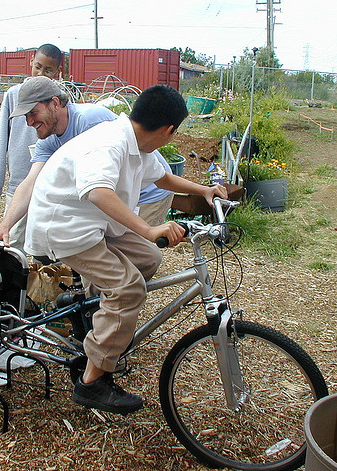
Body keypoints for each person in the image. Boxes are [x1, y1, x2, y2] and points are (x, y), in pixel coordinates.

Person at [24, 85, 228, 415]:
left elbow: (162, 178)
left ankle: (93, 315)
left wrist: (204, 190)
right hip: (65, 228)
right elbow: (98, 192)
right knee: (128, 287)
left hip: (94, 223)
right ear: (168, 130)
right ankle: (92, 383)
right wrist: (148, 228)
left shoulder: (138, 145)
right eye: (177, 133)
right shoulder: (110, 142)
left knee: (149, 257)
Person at [0, 75, 117, 252]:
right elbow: (30, 183)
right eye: (26, 116)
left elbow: (112, 180)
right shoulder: (48, 139)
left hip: (144, 191)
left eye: (33, 113)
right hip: (106, 194)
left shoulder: (89, 122)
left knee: (128, 258)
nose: (29, 122)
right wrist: (4, 227)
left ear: (55, 103)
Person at [0, 44, 63, 250]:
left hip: (51, 183)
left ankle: (46, 279)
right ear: (31, 61)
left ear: (58, 71)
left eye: (48, 70)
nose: (41, 73)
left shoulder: (60, 97)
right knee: (12, 239)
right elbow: (2, 136)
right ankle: (11, 280)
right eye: (38, 66)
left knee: (48, 241)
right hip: (20, 178)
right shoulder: (14, 94)